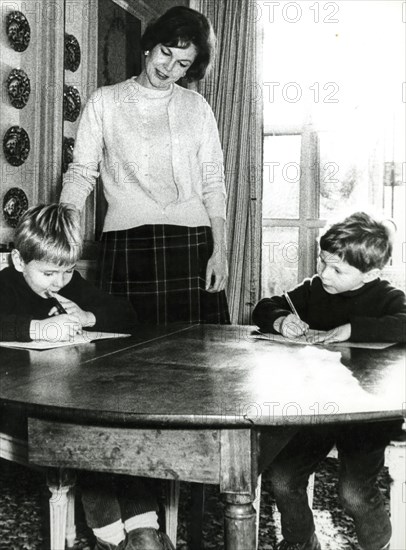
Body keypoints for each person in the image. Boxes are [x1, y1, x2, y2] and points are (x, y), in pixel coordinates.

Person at [0, 203, 174, 550]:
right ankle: (111, 538)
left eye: (66, 272)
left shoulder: (68, 283)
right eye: (49, 273)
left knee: (118, 422)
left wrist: (90, 316)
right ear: (19, 261)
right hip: (19, 404)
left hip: (72, 394)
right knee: (90, 436)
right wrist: (36, 327)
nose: (59, 282)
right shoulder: (6, 284)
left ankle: (142, 533)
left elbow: (126, 312)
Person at [60, 5, 230, 326]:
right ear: (151, 45)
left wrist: (219, 252)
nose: (168, 68)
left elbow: (213, 182)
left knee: (198, 360)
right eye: (166, 53)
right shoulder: (105, 101)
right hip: (128, 244)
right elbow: (81, 173)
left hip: (192, 243)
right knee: (123, 356)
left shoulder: (197, 107)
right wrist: (65, 226)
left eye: (183, 64)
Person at [252, 211, 406, 550]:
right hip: (318, 409)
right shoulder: (314, 290)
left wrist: (354, 329)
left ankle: (378, 545)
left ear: (372, 273)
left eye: (337, 269)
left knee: (352, 491)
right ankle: (300, 542)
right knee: (282, 477)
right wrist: (280, 320)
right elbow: (265, 306)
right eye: (323, 263)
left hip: (368, 415)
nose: (324, 274)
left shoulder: (388, 297)